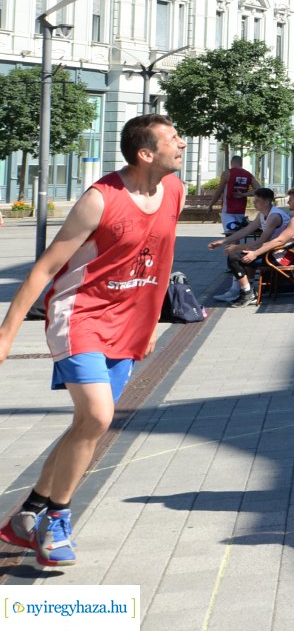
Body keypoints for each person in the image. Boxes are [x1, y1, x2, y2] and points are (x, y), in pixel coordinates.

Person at [0, 114, 185, 566]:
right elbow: (45, 269)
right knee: (99, 419)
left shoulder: (174, 191)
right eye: (173, 139)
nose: (182, 143)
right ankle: (57, 521)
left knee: (87, 426)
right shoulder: (101, 200)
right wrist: (6, 334)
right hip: (78, 315)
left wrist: (149, 327)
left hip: (128, 326)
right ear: (146, 153)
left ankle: (25, 516)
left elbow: (158, 261)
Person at [208, 186, 294, 305]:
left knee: (234, 257)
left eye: (256, 200)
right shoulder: (262, 214)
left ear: (266, 202)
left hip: (276, 254)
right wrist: (223, 241)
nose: (254, 203)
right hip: (271, 250)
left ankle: (246, 292)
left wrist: (240, 248)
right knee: (242, 253)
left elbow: (262, 241)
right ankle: (241, 290)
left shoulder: (274, 216)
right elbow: (247, 230)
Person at [216, 154, 255, 233]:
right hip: (240, 209)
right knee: (237, 233)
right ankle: (235, 245)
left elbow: (219, 191)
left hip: (228, 210)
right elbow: (259, 189)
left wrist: (211, 204)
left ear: (231, 162)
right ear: (241, 163)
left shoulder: (227, 173)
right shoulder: (248, 174)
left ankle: (232, 244)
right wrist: (244, 194)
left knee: (230, 233)